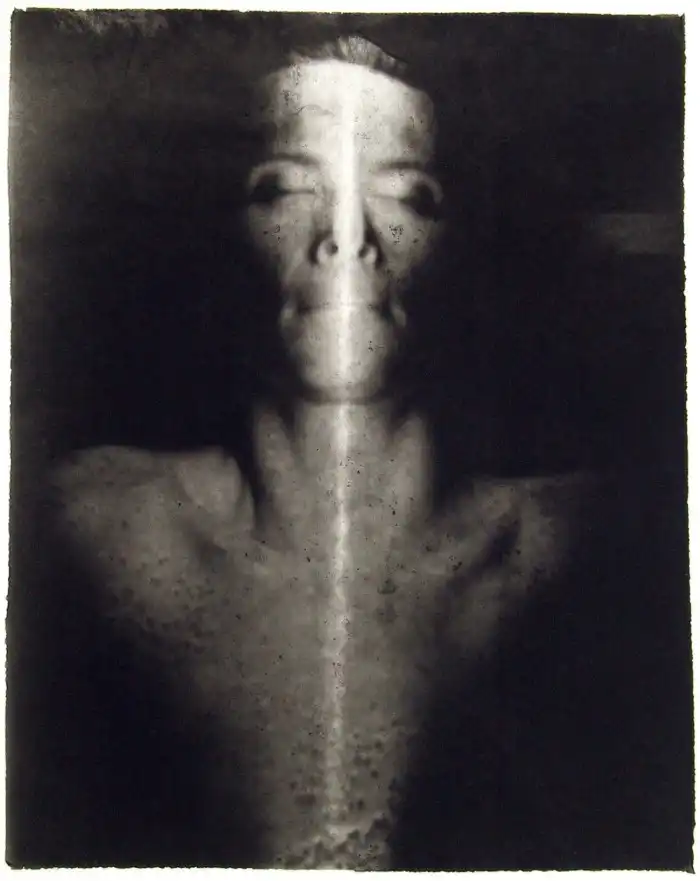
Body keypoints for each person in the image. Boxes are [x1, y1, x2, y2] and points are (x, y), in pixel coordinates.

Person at [10, 24, 692, 871]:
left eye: (408, 195)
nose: (344, 234)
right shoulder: (94, 527)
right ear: (228, 229)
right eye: (285, 187)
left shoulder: (562, 545)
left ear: (462, 241)